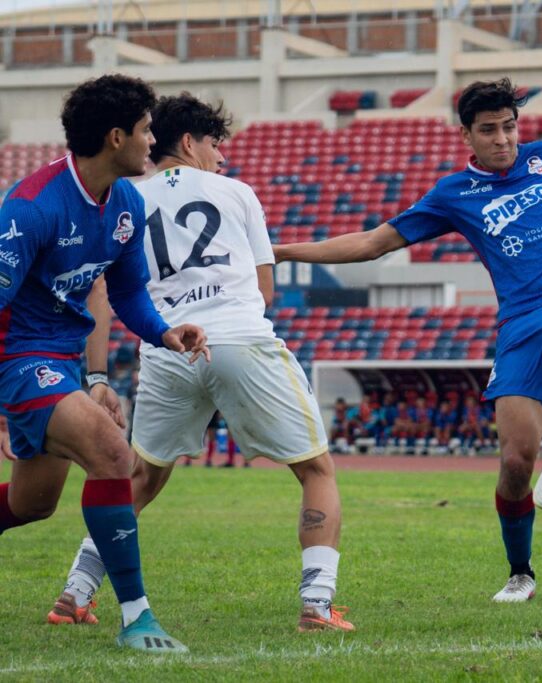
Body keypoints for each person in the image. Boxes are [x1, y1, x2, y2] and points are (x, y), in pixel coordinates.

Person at [274, 78, 542, 602]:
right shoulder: (453, 194)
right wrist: (283, 252)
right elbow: (372, 244)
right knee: (516, 463)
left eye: (509, 126)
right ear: (467, 136)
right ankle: (520, 572)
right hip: (520, 324)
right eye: (489, 130)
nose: (503, 139)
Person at [50, 92, 354, 632]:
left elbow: (104, 288)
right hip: (238, 336)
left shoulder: (126, 199)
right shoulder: (236, 192)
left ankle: (75, 594)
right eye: (215, 144)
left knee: (138, 477)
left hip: (166, 347)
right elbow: (263, 290)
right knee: (316, 469)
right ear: (188, 142)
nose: (221, 157)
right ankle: (317, 604)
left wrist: (97, 373)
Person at [0, 74, 209, 653]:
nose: (153, 140)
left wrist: (166, 332)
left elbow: (129, 295)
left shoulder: (126, 203)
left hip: (61, 360)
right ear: (116, 136)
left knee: (31, 505)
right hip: (17, 358)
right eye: (146, 130)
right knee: (112, 450)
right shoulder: (31, 206)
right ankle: (137, 617)